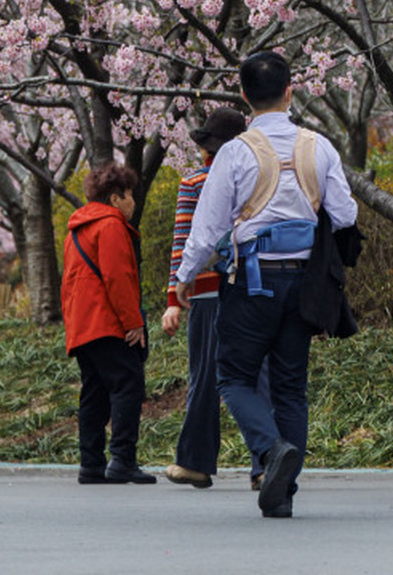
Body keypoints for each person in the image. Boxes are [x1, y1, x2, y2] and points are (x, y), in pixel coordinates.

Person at [176, 49, 358, 519]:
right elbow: (345, 215)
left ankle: (270, 449)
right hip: (305, 284)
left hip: (252, 284)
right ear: (290, 91)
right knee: (290, 387)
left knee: (232, 376)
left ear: (243, 96)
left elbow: (208, 227)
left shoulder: (235, 152)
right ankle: (283, 492)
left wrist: (184, 277)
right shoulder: (318, 147)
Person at [161, 105, 258, 488]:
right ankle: (264, 462)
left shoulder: (195, 181)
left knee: (204, 376)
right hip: (251, 287)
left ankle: (195, 462)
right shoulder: (257, 179)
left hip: (203, 292)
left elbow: (184, 240)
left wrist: (173, 295)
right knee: (254, 374)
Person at [63, 163, 152, 485]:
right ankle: (122, 459)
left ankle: (91, 463)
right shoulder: (111, 226)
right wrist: (134, 322)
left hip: (82, 324)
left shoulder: (77, 228)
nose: (133, 203)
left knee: (95, 391)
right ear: (116, 198)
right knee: (128, 384)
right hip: (108, 321)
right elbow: (119, 278)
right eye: (130, 196)